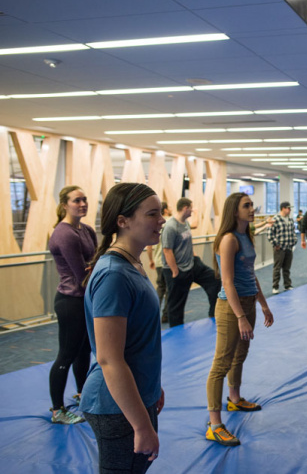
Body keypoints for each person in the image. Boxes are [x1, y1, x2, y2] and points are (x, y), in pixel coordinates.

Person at [81, 183, 166, 473]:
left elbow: (137, 342)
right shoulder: (114, 275)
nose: (162, 220)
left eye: (161, 212)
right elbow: (109, 359)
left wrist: (152, 387)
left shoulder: (133, 265)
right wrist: (141, 426)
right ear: (123, 221)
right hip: (115, 406)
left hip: (135, 396)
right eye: (152, 214)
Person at [205, 193, 274, 447]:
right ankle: (214, 425)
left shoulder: (247, 236)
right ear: (235, 211)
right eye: (246, 205)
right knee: (221, 364)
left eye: (251, 205)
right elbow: (227, 282)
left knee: (240, 354)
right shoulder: (229, 240)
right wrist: (241, 317)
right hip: (230, 307)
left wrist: (263, 304)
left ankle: (234, 398)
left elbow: (249, 274)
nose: (252, 209)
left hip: (247, 302)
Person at [47, 186, 97, 424]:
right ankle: (57, 410)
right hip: (70, 301)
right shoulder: (64, 233)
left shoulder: (86, 229)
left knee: (84, 350)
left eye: (85, 199)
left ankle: (82, 393)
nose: (83, 203)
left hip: (84, 299)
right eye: (77, 200)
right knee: (66, 355)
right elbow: (82, 274)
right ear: (65, 204)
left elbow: (95, 261)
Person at [161, 198, 221, 327]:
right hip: (177, 269)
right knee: (176, 303)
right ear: (185, 208)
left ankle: (214, 313)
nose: (192, 212)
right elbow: (167, 250)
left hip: (192, 264)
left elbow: (187, 240)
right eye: (191, 209)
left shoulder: (185, 223)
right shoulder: (171, 226)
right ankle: (176, 330)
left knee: (214, 279)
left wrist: (194, 256)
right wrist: (175, 271)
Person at [146, 202, 172, 323]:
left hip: (158, 262)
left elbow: (149, 247)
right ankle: (166, 315)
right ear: (165, 210)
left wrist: (151, 260)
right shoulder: (169, 224)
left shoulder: (154, 226)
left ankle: (153, 313)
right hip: (166, 263)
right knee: (168, 289)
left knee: (160, 288)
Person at [269, 202, 297, 294]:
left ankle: (287, 285)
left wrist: (294, 242)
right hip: (279, 248)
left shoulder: (290, 219)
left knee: (287, 268)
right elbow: (270, 234)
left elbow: (293, 232)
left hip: (289, 247)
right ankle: (275, 286)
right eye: (288, 208)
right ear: (283, 208)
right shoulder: (275, 219)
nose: (290, 210)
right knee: (277, 268)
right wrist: (275, 244)